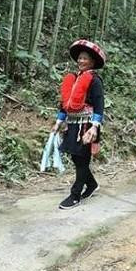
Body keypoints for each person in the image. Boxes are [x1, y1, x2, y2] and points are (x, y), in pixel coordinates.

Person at [52, 39, 106, 209]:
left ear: (92, 62)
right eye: (80, 58)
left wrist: (94, 128)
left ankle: (75, 195)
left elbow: (99, 104)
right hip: (72, 124)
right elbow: (65, 103)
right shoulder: (73, 78)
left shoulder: (95, 80)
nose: (81, 61)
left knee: (82, 159)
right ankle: (92, 184)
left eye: (85, 59)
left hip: (87, 125)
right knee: (76, 158)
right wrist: (59, 121)